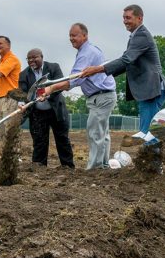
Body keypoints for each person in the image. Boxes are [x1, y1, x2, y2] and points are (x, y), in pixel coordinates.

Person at [80, 4, 165, 146]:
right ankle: (151, 165)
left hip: (152, 89)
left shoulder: (142, 35)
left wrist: (97, 69)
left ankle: (153, 166)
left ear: (139, 18)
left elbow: (126, 60)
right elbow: (128, 62)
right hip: (147, 90)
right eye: (123, 18)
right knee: (146, 131)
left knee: (148, 132)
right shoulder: (135, 36)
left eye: (128, 17)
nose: (125, 21)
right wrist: (103, 73)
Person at [41, 23, 116, 170]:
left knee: (94, 131)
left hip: (101, 97)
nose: (71, 38)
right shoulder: (88, 50)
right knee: (102, 132)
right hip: (103, 96)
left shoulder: (86, 53)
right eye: (70, 35)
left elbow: (74, 80)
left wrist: (51, 88)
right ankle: (103, 165)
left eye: (74, 35)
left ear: (85, 35)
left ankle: (95, 168)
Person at [18, 48, 75, 168]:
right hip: (37, 113)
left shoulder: (54, 68)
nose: (31, 60)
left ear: (42, 57)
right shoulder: (24, 74)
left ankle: (68, 167)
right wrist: (21, 103)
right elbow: (22, 93)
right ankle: (39, 167)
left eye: (35, 57)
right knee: (39, 141)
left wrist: (47, 94)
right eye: (29, 58)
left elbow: (59, 85)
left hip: (56, 111)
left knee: (62, 139)